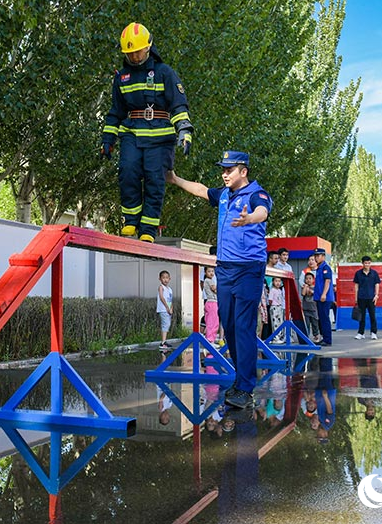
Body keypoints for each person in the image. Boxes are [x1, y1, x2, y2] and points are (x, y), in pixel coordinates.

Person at [167, 150, 273, 409]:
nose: (224, 174)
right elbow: (202, 190)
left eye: (230, 170)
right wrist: (175, 179)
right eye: (223, 170)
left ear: (243, 171)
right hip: (225, 268)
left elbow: (262, 212)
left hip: (248, 268)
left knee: (243, 326)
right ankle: (241, 379)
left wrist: (249, 218)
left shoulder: (257, 194)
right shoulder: (224, 195)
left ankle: (245, 388)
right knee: (230, 325)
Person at [100, 22, 194, 243]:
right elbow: (116, 111)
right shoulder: (122, 77)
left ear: (148, 47)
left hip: (160, 138)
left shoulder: (164, 73)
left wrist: (184, 131)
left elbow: (179, 105)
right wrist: (108, 139)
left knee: (154, 181)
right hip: (132, 133)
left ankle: (148, 229)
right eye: (130, 53)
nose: (134, 56)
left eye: (137, 51)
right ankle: (131, 220)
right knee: (128, 172)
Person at [353, 255, 381, 340]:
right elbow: (356, 286)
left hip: (371, 298)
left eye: (369, 263)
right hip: (361, 297)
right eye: (365, 263)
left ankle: (373, 333)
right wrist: (356, 298)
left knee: (372, 316)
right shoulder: (358, 273)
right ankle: (361, 333)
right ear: (362, 263)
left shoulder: (374, 273)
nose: (367, 265)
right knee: (362, 317)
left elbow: (377, 284)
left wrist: (376, 295)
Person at [312, 248, 335, 346]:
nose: (317, 257)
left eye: (318, 255)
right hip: (319, 297)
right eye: (316, 256)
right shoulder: (319, 268)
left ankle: (327, 339)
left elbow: (327, 281)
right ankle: (324, 337)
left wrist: (324, 294)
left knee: (325, 318)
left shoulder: (326, 267)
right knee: (321, 318)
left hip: (324, 297)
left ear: (323, 256)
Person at [301, 272, 322, 344]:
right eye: (306, 278)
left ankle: (316, 336)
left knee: (315, 323)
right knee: (306, 324)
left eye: (310, 278)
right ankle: (306, 337)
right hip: (306, 309)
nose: (308, 280)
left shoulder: (315, 287)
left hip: (313, 309)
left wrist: (310, 290)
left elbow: (312, 293)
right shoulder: (304, 287)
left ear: (313, 279)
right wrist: (306, 287)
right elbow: (303, 294)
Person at [202, 266, 219, 343]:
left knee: (210, 322)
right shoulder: (209, 281)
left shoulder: (207, 280)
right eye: (209, 271)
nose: (211, 273)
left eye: (212, 271)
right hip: (212, 302)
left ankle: (210, 339)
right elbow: (215, 289)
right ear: (205, 272)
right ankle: (210, 340)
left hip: (210, 302)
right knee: (213, 323)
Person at [157, 270, 173, 348]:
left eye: (167, 278)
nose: (165, 279)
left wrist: (171, 308)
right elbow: (161, 297)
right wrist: (167, 307)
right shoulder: (161, 287)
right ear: (160, 279)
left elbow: (170, 299)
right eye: (163, 278)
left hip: (168, 310)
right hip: (163, 309)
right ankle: (163, 342)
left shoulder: (170, 289)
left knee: (167, 324)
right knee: (165, 324)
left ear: (169, 278)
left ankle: (164, 341)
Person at [267, 277, 285, 343]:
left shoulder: (280, 290)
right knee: (275, 323)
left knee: (280, 322)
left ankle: (280, 336)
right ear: (273, 282)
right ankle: (275, 337)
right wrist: (272, 306)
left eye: (279, 281)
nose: (278, 283)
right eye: (276, 281)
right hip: (274, 307)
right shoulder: (272, 290)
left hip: (280, 307)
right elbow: (270, 300)